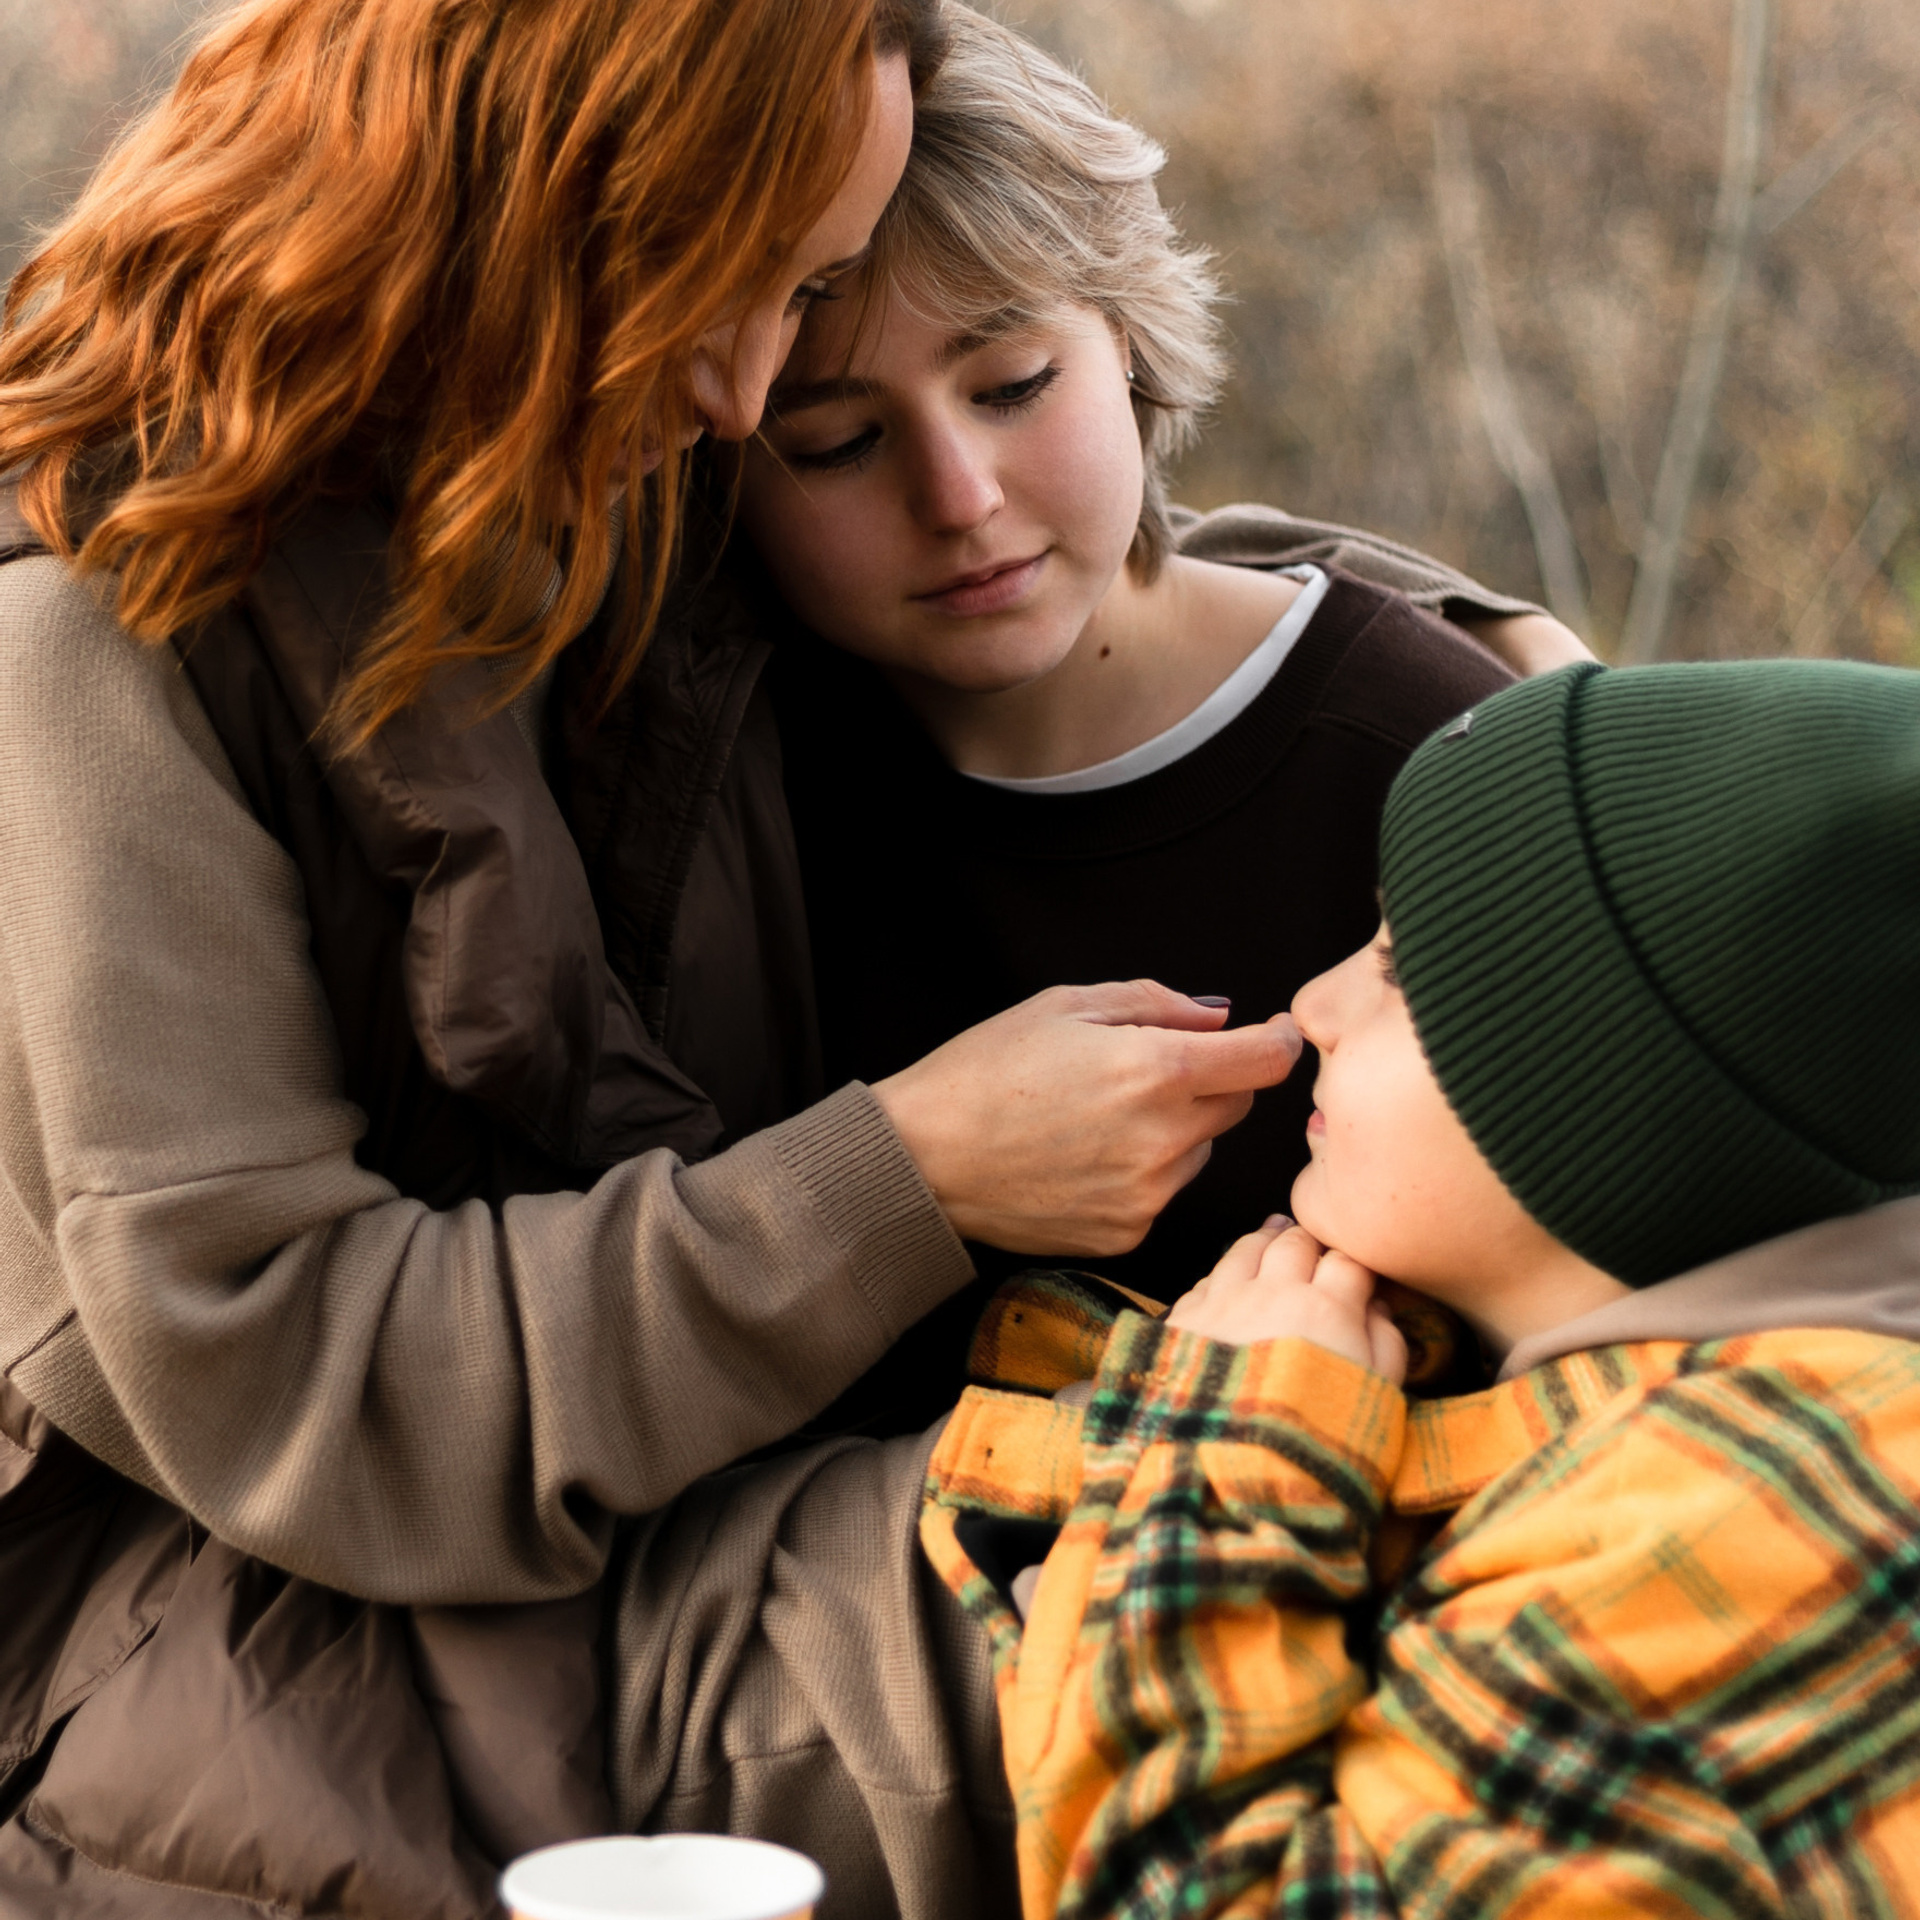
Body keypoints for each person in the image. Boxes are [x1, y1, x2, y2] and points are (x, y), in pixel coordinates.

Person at [0, 1, 1306, 1913]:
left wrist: (1497, 700)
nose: (743, 391)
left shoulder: (603, 448)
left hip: (733, 1508)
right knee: (1282, 1642)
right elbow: (285, 1384)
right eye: (730, 289)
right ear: (506, 215)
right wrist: (911, 1174)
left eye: (811, 292)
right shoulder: (88, 649)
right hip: (277, 1666)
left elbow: (1054, 542)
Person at [923, 656, 1920, 1915]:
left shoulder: (1754, 1510)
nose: (1317, 1001)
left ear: (1600, 1110)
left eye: (1401, 970)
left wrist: (1231, 1450)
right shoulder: (1727, 1428)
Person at [735, 4, 1585, 1432]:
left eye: (1014, 387)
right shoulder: (721, 797)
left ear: (1127, 344)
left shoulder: (1430, 757)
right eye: (837, 442)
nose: (959, 499)